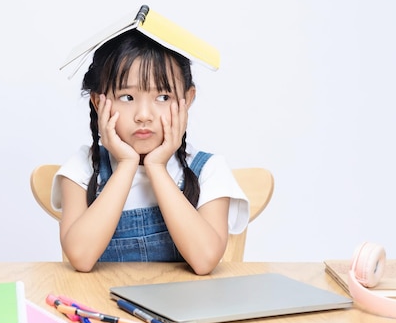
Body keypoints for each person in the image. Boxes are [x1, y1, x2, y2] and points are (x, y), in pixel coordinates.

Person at [51, 29, 249, 275]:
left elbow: (205, 259)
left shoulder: (209, 170)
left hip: (182, 308)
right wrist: (126, 165)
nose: (144, 115)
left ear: (187, 100)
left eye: (163, 97)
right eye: (127, 97)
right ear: (98, 102)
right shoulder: (83, 167)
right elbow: (80, 256)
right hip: (102, 304)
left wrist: (156, 167)